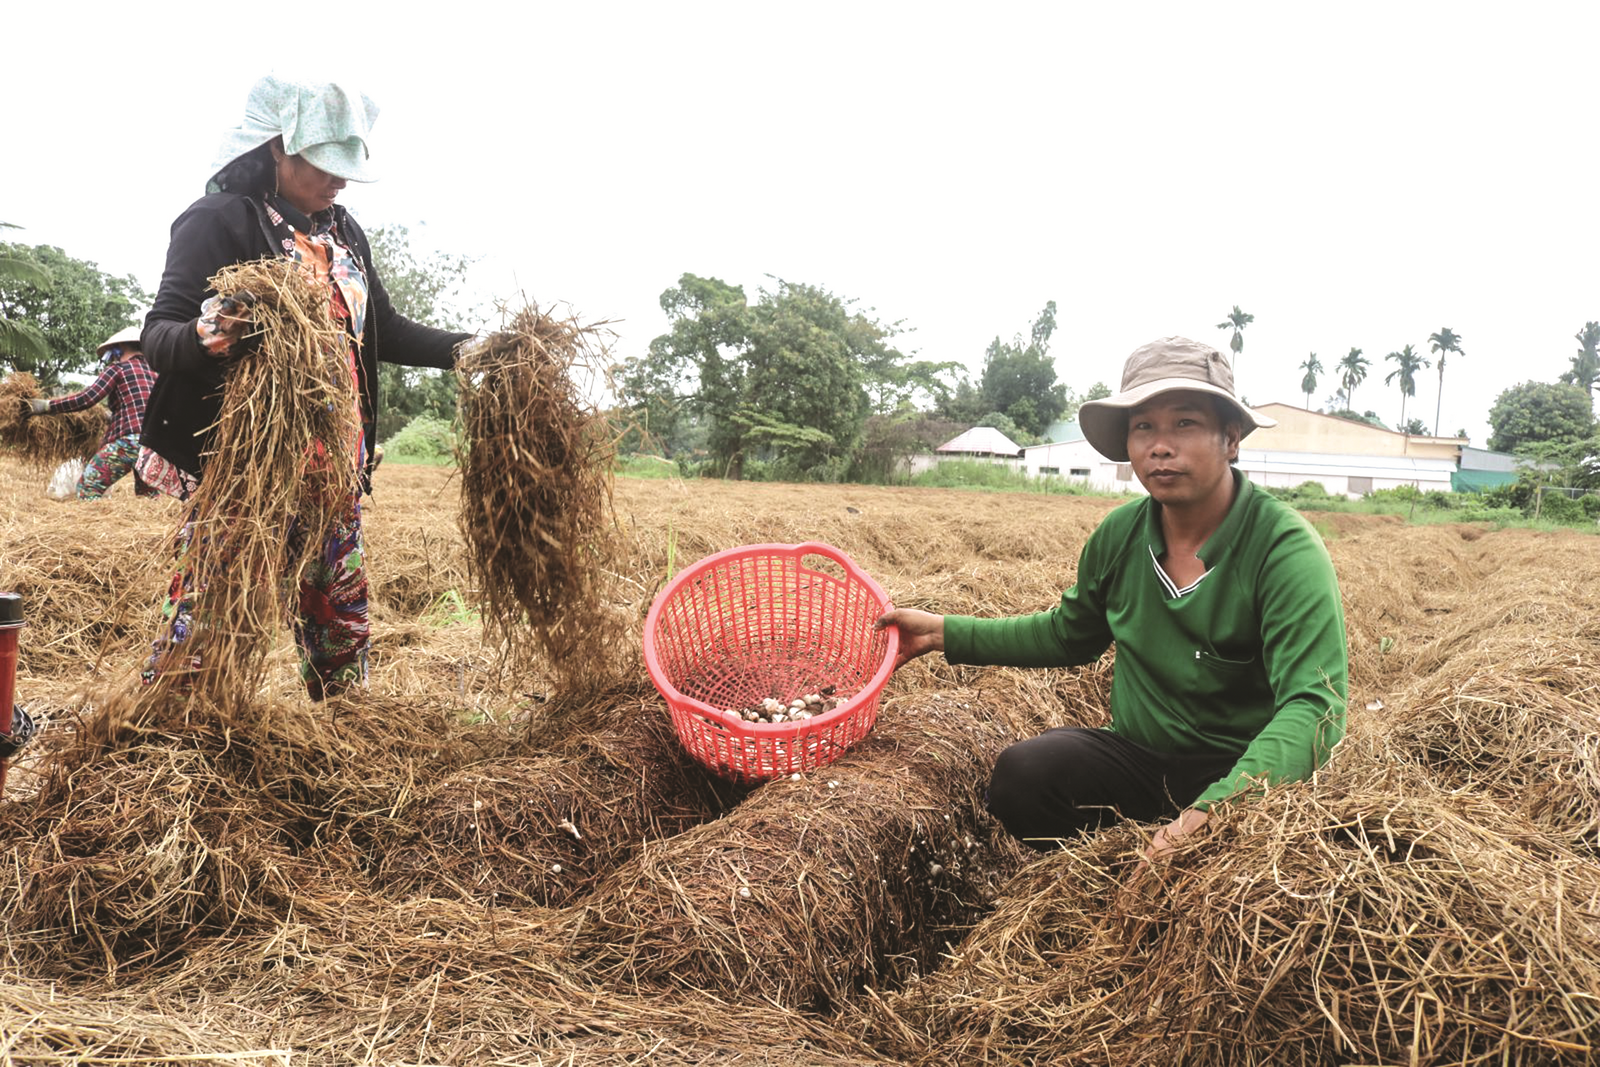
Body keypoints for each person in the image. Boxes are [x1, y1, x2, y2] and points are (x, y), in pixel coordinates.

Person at [877, 336, 1348, 864]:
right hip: (1140, 758)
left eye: (1185, 424)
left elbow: (1314, 704)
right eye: (1143, 426)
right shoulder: (1121, 535)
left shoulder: (1283, 549)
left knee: (1242, 861)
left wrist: (1213, 813)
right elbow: (1067, 634)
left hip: (1243, 766)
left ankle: (1195, 847)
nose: (1160, 446)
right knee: (1024, 778)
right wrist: (942, 633)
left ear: (1231, 438)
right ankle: (1109, 868)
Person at [137, 74, 472, 700]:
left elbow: (385, 330)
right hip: (250, 467)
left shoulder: (342, 231)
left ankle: (344, 726)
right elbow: (160, 332)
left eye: (348, 165)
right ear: (276, 149)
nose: (339, 180)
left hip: (333, 466)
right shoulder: (218, 220)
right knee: (215, 615)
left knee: (338, 621)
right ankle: (177, 729)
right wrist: (211, 333)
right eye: (324, 164)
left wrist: (472, 350)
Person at [20, 326, 159, 499]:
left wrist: (47, 406)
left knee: (88, 487)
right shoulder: (155, 375)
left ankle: (99, 523)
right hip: (154, 445)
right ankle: (151, 526)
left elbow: (88, 398)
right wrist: (113, 416)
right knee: (148, 497)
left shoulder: (118, 368)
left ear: (119, 348)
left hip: (129, 442)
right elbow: (146, 408)